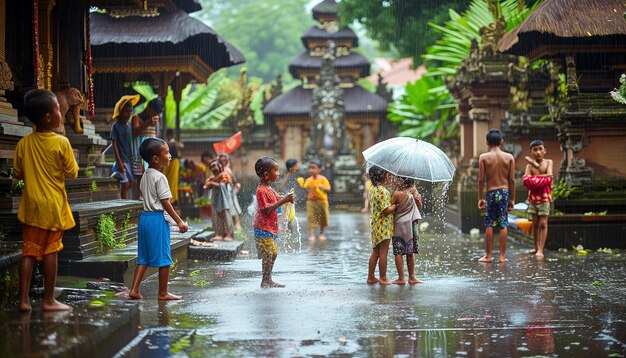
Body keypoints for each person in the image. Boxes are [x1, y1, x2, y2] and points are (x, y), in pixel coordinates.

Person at [14, 89, 79, 311]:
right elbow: (72, 172)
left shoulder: (24, 144)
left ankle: (23, 300)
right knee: (51, 250)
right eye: (59, 110)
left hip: (31, 206)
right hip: (52, 206)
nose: (62, 113)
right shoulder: (61, 143)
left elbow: (17, 172)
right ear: (49, 118)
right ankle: (49, 300)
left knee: (29, 251)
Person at [128, 137, 188, 300]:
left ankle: (134, 289)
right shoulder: (160, 177)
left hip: (144, 219)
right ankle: (162, 292)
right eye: (167, 153)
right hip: (156, 220)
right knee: (164, 258)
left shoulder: (146, 175)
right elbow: (165, 202)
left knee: (144, 257)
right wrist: (179, 221)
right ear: (156, 158)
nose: (170, 156)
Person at [253, 156, 295, 288]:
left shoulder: (269, 189)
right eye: (276, 171)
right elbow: (266, 209)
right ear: (266, 175)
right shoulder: (261, 191)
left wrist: (287, 198)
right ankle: (266, 280)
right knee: (270, 253)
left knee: (271, 253)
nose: (278, 174)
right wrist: (284, 200)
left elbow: (277, 200)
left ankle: (267, 279)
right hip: (262, 228)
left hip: (269, 228)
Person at [477, 128, 516, 263]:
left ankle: (488, 256)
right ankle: (502, 256)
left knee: (489, 224)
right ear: (502, 142)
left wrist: (480, 198)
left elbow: (481, 180)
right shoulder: (509, 157)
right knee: (503, 224)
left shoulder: (483, 158)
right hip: (504, 192)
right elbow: (512, 180)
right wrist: (512, 198)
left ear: (487, 142)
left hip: (491, 193)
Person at [390, 176, 424, 285]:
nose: (395, 180)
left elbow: (391, 208)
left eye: (397, 179)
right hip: (412, 224)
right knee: (410, 250)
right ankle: (412, 277)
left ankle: (401, 278)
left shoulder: (396, 193)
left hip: (399, 224)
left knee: (398, 251)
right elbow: (419, 207)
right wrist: (417, 199)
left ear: (402, 181)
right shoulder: (413, 191)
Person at [523, 139, 553, 259]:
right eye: (535, 150)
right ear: (531, 152)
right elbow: (526, 181)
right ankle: (536, 248)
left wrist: (535, 177)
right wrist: (542, 177)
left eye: (540, 149)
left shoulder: (549, 162)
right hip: (533, 199)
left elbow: (549, 178)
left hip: (545, 198)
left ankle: (541, 249)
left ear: (545, 150)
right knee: (535, 224)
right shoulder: (529, 165)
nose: (538, 152)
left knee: (543, 223)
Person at [367, 166, 396, 284]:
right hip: (383, 226)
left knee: (376, 251)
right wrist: (396, 205)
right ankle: (383, 278)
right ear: (382, 176)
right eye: (387, 174)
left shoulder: (373, 189)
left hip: (375, 224)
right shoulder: (383, 191)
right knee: (383, 252)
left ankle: (371, 277)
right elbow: (386, 210)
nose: (389, 177)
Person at [131, 97, 163, 198]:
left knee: (152, 175)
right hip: (140, 153)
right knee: (141, 177)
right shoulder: (136, 117)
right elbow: (134, 133)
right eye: (154, 112)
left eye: (157, 114)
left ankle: (151, 198)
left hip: (152, 152)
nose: (155, 115)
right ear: (149, 108)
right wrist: (147, 123)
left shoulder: (156, 121)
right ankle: (139, 200)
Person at [110, 95, 140, 199]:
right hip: (121, 159)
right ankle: (123, 204)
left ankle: (126, 202)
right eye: (126, 111)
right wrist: (118, 161)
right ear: (120, 112)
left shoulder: (129, 126)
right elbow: (114, 144)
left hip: (129, 159)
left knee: (131, 183)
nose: (129, 114)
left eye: (130, 111)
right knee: (125, 184)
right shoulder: (116, 126)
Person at [297, 159, 331, 241]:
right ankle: (311, 235)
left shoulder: (323, 179)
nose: (311, 170)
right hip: (311, 201)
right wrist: (301, 183)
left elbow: (328, 189)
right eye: (310, 168)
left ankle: (321, 233)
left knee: (323, 218)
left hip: (322, 201)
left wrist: (323, 188)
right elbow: (305, 187)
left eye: (313, 168)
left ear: (319, 169)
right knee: (311, 218)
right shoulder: (309, 179)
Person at [204, 159, 234, 241]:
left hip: (224, 200)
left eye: (214, 166)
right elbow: (207, 186)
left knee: (225, 215)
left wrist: (211, 183)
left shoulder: (224, 175)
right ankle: (219, 234)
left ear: (220, 166)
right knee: (216, 217)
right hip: (215, 199)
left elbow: (223, 185)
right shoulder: (212, 178)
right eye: (211, 167)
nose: (213, 168)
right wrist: (209, 184)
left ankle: (229, 234)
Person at [218, 153, 243, 233]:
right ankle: (230, 227)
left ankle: (237, 225)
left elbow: (233, 179)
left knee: (235, 207)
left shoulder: (228, 169)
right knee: (228, 209)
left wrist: (237, 184)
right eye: (221, 161)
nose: (223, 162)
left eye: (224, 160)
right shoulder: (218, 169)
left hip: (231, 190)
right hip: (223, 191)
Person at [162, 128, 182, 205]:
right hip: (169, 162)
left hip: (174, 162)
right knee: (168, 180)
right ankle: (170, 198)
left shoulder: (173, 143)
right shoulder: (168, 143)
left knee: (172, 181)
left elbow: (178, 154)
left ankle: (173, 199)